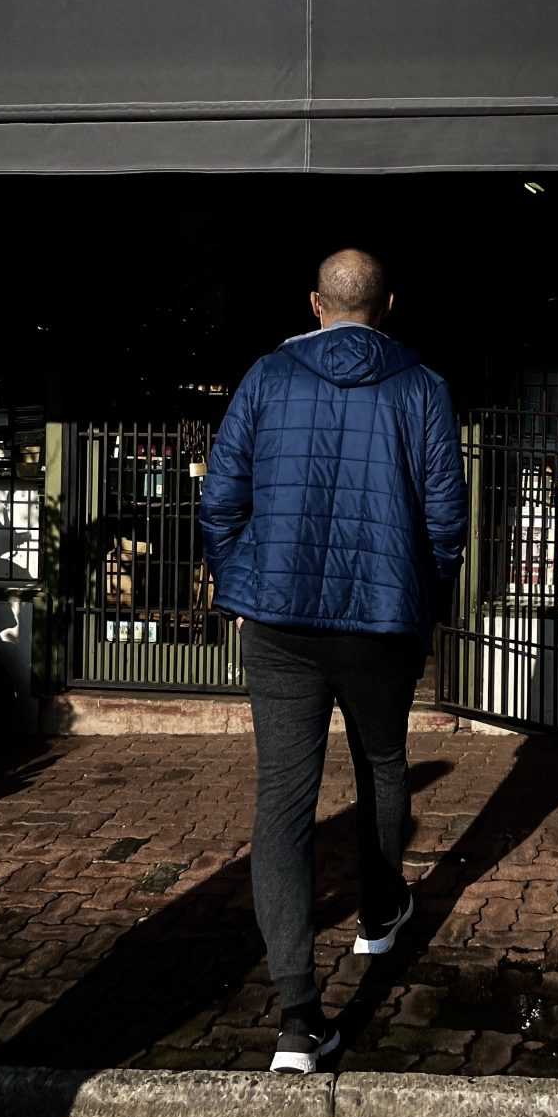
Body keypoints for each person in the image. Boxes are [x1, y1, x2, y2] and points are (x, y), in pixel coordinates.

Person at [201, 249, 468, 1073]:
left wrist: (243, 580)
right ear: (387, 305)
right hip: (380, 617)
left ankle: (297, 1019)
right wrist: (424, 603)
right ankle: (381, 915)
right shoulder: (422, 387)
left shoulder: (266, 378)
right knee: (383, 763)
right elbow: (446, 520)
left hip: (279, 618)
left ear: (315, 305)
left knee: (283, 801)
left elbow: (220, 498)